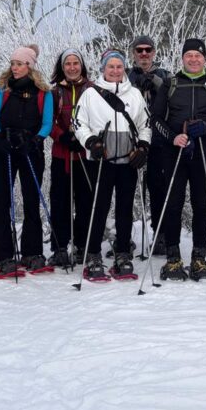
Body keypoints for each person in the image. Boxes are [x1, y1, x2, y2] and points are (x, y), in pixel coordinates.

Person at [150, 37, 206, 281]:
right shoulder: (170, 84)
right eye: (189, 56)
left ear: (205, 59)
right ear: (182, 58)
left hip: (204, 154)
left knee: (201, 204)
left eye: (198, 56)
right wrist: (174, 137)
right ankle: (173, 257)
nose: (194, 59)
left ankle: (199, 256)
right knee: (172, 204)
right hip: (174, 153)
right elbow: (155, 119)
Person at [74, 49, 151, 281]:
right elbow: (78, 122)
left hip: (128, 159)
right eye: (111, 67)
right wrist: (90, 142)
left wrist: (144, 146)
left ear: (124, 69)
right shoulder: (90, 94)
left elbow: (145, 123)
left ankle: (123, 252)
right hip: (102, 159)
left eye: (119, 67)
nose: (115, 71)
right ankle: (94, 253)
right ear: (103, 69)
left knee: (125, 208)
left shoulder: (135, 94)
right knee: (98, 207)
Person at [0, 44, 55, 279]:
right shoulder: (3, 89)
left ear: (30, 66)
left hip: (30, 150)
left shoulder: (43, 92)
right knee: (3, 200)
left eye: (19, 64)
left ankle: (32, 251)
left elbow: (47, 122)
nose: (14, 68)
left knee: (30, 199)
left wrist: (36, 140)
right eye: (13, 64)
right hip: (4, 150)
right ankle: (2, 255)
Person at [49, 48, 94, 268]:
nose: (72, 67)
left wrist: (87, 138)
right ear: (62, 67)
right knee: (60, 202)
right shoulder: (55, 92)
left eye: (76, 63)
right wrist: (62, 136)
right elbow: (49, 122)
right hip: (62, 155)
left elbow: (99, 118)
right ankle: (59, 247)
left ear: (82, 66)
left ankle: (82, 245)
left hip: (86, 155)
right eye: (68, 63)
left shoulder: (92, 89)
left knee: (86, 201)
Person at [127, 34, 171, 244]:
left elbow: (173, 96)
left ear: (154, 52)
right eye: (139, 50)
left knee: (158, 187)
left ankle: (160, 233)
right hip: (130, 139)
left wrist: (154, 82)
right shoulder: (125, 75)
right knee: (127, 188)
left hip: (158, 139)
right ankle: (124, 237)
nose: (144, 54)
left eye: (148, 50)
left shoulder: (164, 74)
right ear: (133, 53)